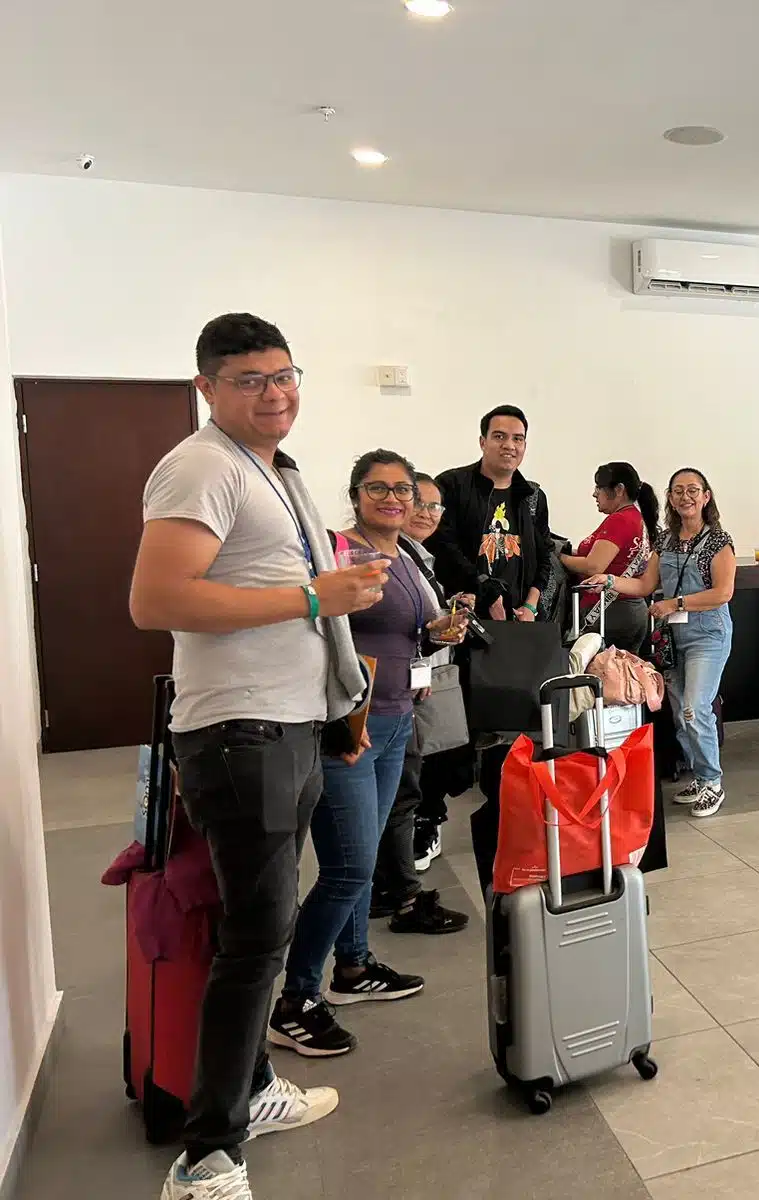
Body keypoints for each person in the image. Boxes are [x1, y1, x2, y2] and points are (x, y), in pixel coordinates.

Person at [132, 313, 388, 1200]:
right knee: (254, 940)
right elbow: (158, 597)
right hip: (241, 733)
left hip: (287, 724)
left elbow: (310, 600)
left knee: (261, 930)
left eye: (285, 374)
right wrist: (310, 598)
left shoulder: (273, 469)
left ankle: (248, 1092)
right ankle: (206, 1155)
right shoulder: (200, 464)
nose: (276, 392)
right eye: (250, 379)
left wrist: (341, 683)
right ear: (207, 387)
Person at [267, 450, 469, 1059]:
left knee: (367, 851)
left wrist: (439, 632)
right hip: (347, 722)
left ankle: (353, 968)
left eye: (402, 489)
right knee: (348, 868)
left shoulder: (407, 553)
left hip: (394, 718)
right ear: (355, 495)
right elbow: (317, 619)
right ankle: (295, 1001)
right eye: (377, 489)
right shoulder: (334, 548)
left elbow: (407, 628)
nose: (393, 499)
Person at [585, 468, 735, 817]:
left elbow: (723, 593)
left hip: (708, 635)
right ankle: (698, 775)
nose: (686, 496)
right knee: (681, 712)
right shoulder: (665, 540)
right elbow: (643, 586)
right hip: (672, 638)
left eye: (693, 490)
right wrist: (609, 580)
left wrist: (675, 604)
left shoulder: (719, 540)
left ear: (706, 497)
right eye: (678, 490)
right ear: (669, 497)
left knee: (696, 708)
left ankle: (713, 781)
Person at [369, 472, 472, 934]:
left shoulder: (414, 557)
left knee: (402, 795)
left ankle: (398, 892)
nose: (426, 513)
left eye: (434, 507)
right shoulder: (372, 557)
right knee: (388, 799)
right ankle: (391, 894)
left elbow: (417, 627)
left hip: (407, 690)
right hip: (380, 698)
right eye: (420, 503)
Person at [426, 405, 550, 622]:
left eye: (517, 439)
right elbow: (442, 548)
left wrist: (531, 605)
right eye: (499, 436)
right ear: (483, 442)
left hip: (520, 621)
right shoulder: (451, 485)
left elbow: (544, 557)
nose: (509, 445)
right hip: (462, 618)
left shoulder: (533, 496)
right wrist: (486, 592)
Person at [561, 462, 659, 652]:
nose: (594, 493)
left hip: (609, 611)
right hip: (631, 611)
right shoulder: (638, 519)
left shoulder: (620, 520)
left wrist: (559, 558)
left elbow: (594, 566)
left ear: (619, 489)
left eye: (599, 487)